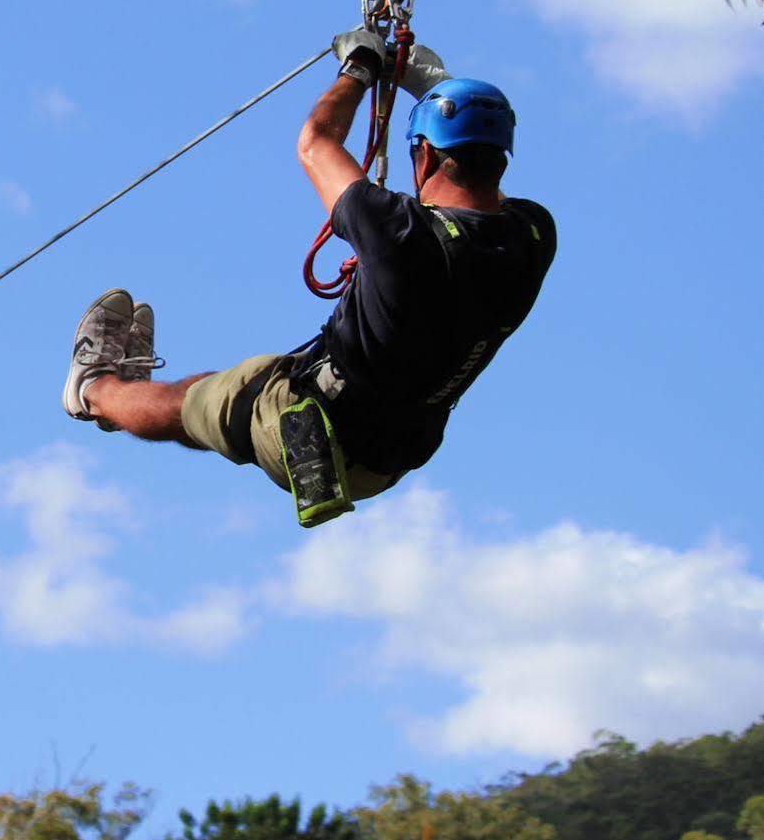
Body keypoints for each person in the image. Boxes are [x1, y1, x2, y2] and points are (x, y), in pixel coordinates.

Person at [59, 28, 556, 526]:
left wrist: (359, 70)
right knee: (243, 381)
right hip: (390, 452)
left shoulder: (398, 233)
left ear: (424, 155)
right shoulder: (533, 237)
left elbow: (316, 143)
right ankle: (122, 394)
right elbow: (483, 197)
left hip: (314, 426)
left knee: (186, 405)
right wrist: (437, 89)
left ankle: (94, 389)